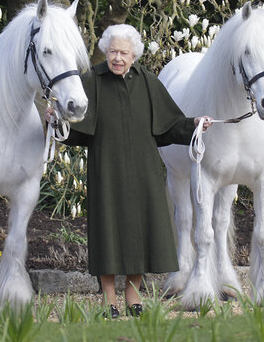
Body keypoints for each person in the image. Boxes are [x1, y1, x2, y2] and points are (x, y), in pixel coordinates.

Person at [45, 24, 212, 318]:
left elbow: (170, 125)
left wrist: (196, 124)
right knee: (108, 232)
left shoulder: (147, 81)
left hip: (143, 171)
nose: (117, 58)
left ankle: (132, 292)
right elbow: (75, 129)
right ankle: (109, 297)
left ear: (134, 55)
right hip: (105, 170)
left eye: (123, 52)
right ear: (105, 53)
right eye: (112, 52)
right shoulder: (92, 81)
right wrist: (55, 120)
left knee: (140, 232)